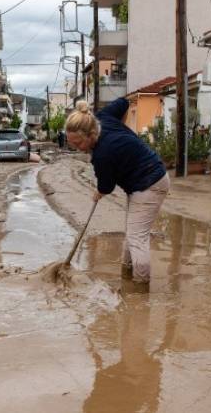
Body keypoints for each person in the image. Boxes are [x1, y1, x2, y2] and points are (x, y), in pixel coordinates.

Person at [65, 98, 169, 284]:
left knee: (137, 237)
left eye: (78, 143)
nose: (77, 149)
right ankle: (128, 276)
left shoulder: (102, 154)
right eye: (72, 144)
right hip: (140, 181)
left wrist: (99, 192)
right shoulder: (101, 118)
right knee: (132, 233)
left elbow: (107, 186)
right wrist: (124, 131)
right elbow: (123, 103)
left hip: (151, 183)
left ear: (90, 135)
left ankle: (140, 291)